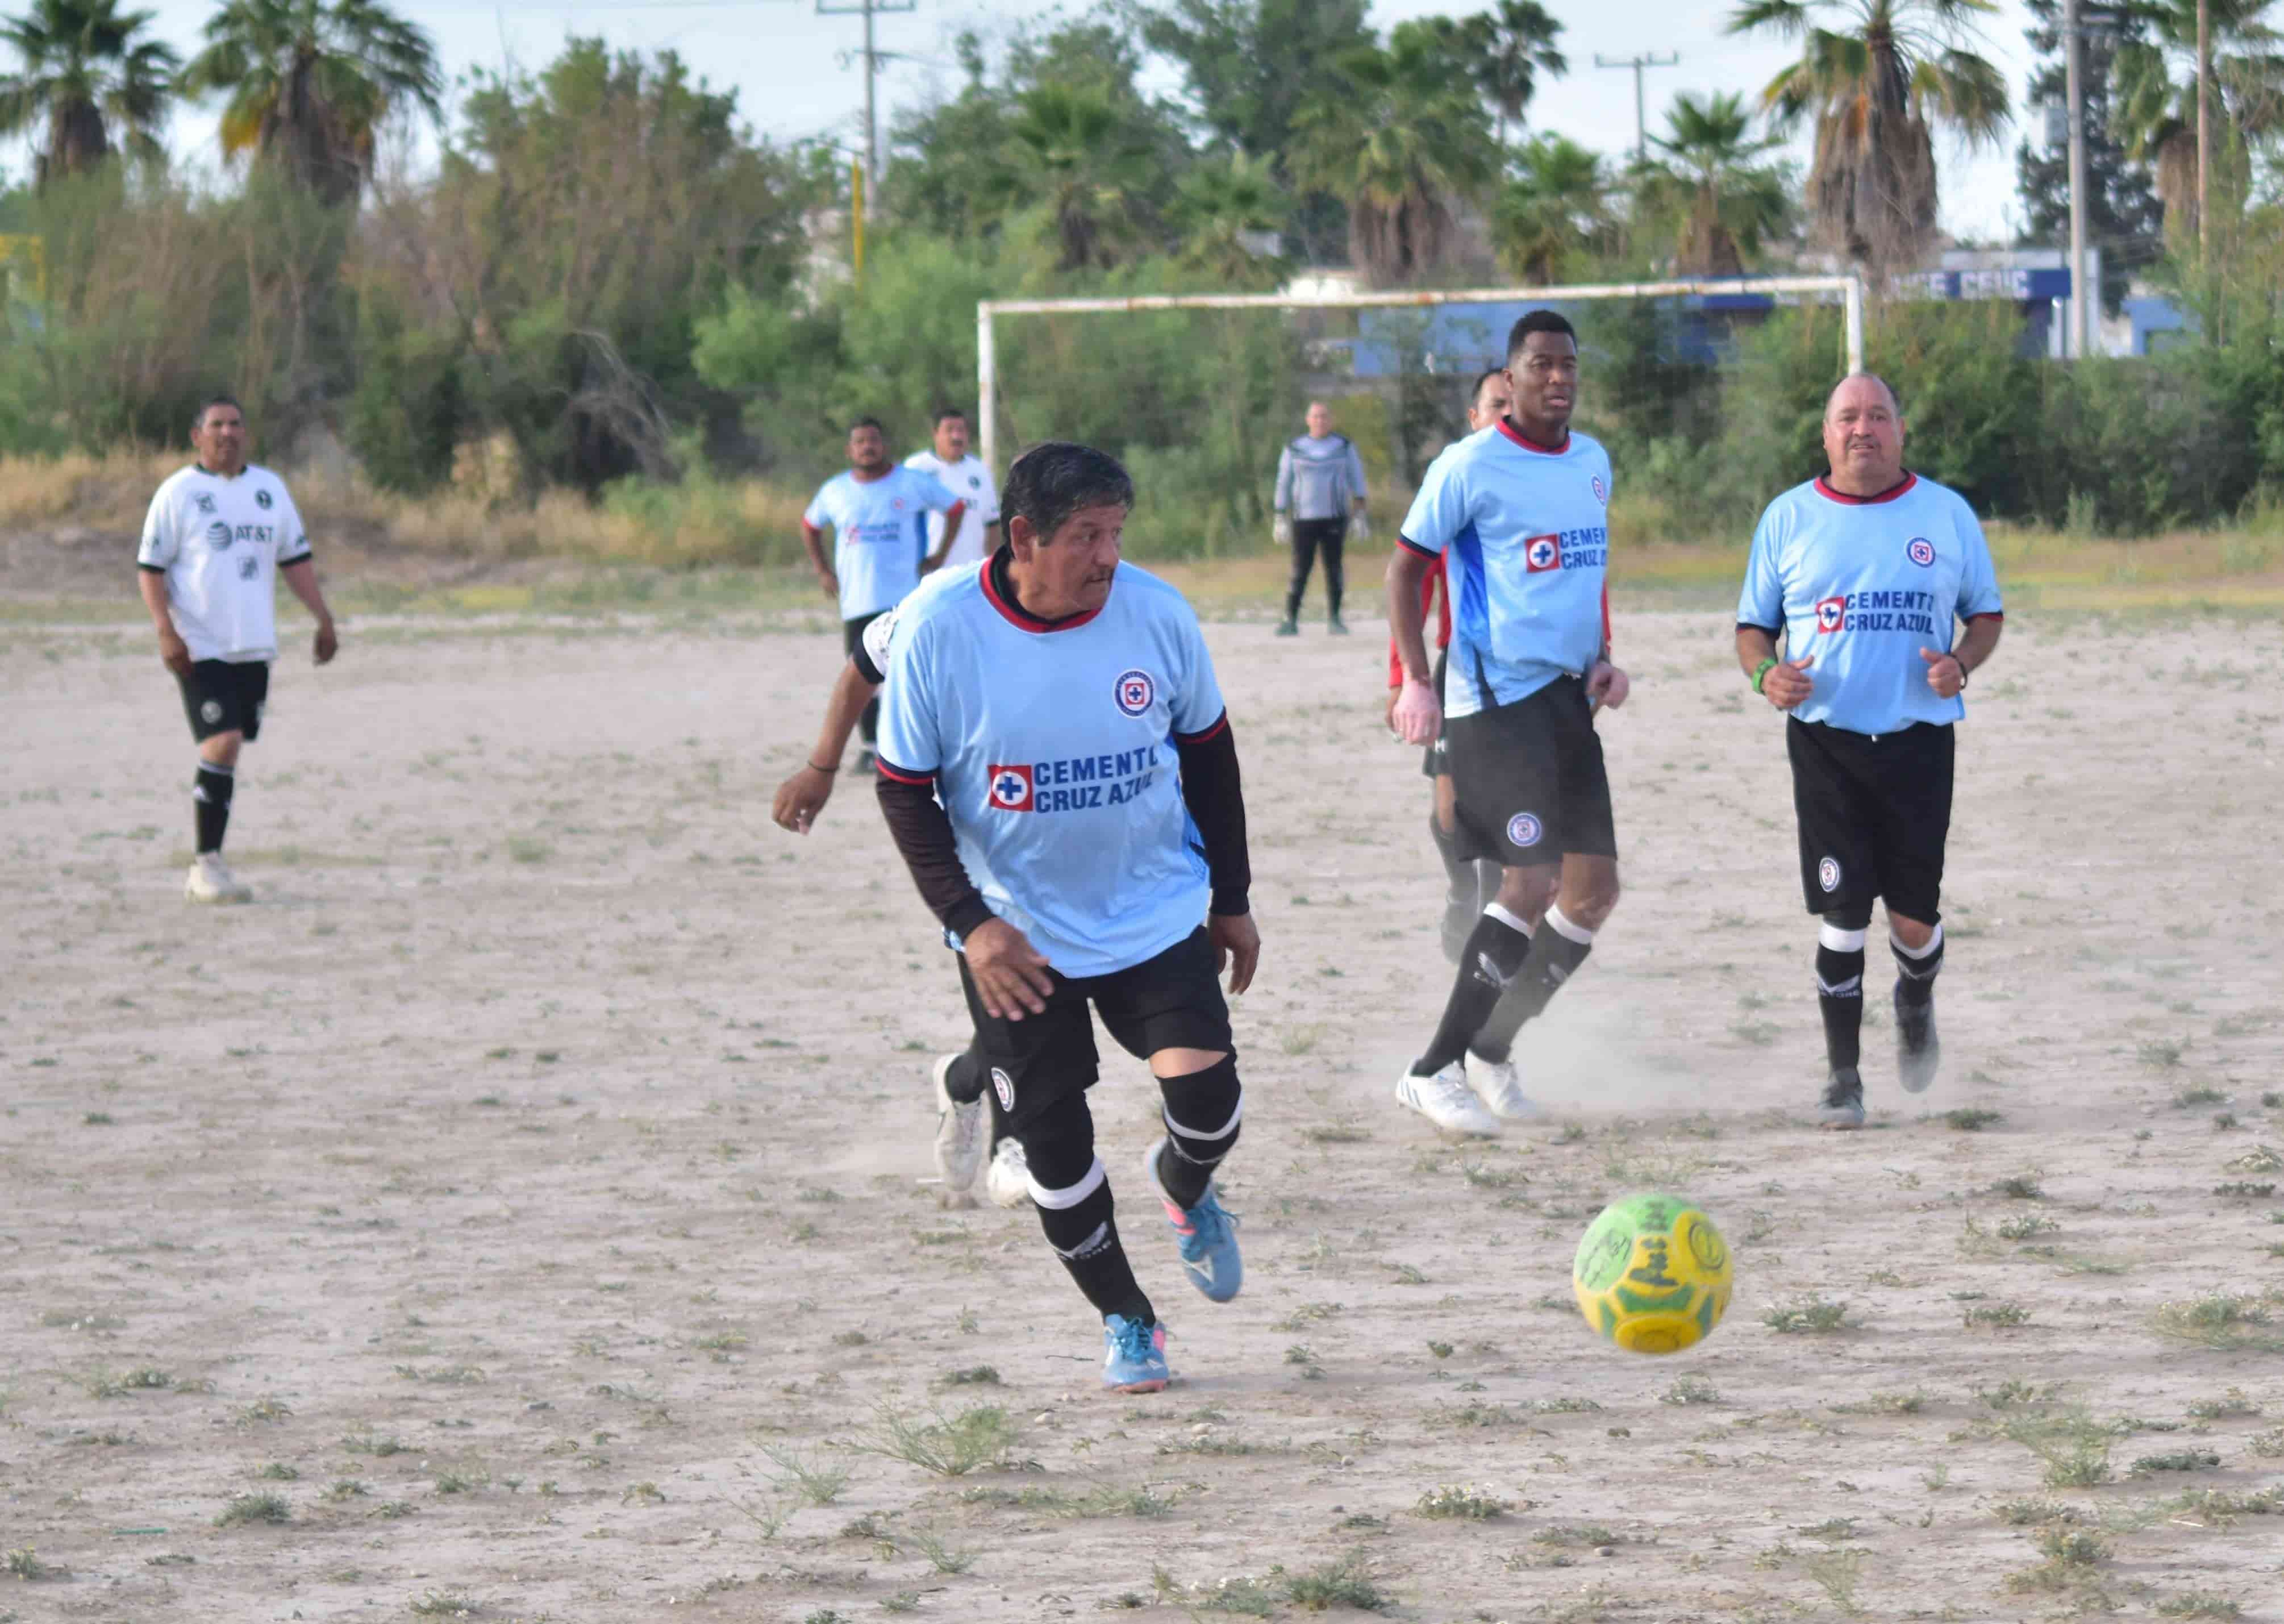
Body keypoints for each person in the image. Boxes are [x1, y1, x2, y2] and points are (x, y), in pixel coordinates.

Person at [873, 441, 1260, 1393]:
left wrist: (1234, 896)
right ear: (1023, 538)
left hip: (1151, 905)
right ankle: (1129, 1319)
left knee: (1208, 1106)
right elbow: (903, 791)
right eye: (1087, 536)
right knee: (1054, 1145)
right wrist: (972, 923)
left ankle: (1185, 1184)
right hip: (1017, 933)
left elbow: (1210, 755)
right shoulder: (940, 628)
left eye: (1117, 533)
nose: (1107, 556)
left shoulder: (1156, 613)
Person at [1735, 373, 2004, 1130]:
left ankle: (1915, 995)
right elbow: (1752, 627)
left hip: (1919, 741)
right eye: (1848, 417)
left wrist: (1964, 661)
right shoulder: (1788, 519)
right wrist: (1766, 672)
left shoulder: (1946, 514)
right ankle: (1843, 1078)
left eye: (1878, 416)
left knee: (1912, 921)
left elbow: (1985, 614)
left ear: (1901, 430)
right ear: (1825, 434)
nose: (1863, 429)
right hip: (1827, 743)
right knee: (1843, 910)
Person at [1385, 311, 1631, 1136]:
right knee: (1527, 883)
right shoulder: (1471, 466)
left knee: (1592, 894)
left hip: (1567, 698)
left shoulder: (1593, 462)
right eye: (1540, 365)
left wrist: (1602, 654)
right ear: (1512, 376)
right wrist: (1416, 680)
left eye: (1568, 364)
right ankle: (1431, 1069)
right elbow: (1405, 568)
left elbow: (1586, 573)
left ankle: (1491, 1049)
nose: (1557, 378)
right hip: (1492, 699)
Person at [770, 603, 1032, 1212]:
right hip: (979, 839)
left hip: (1064, 831)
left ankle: (961, 1083)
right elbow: (861, 665)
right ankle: (1010, 1150)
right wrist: (822, 766)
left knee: (1052, 997)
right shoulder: (933, 611)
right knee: (1018, 1000)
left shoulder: (1095, 604)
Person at [136, 394, 339, 904]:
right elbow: (151, 569)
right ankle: (206, 864)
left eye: (235, 425)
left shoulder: (269, 490)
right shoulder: (178, 493)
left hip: (254, 645)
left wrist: (322, 617)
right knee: (222, 740)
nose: (227, 433)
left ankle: (212, 859)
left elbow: (295, 560)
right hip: (200, 645)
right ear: (197, 436)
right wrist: (165, 629)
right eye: (217, 425)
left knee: (232, 745)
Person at [1389, 367, 1514, 963]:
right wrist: (1406, 678)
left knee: (1508, 805)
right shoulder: (1458, 479)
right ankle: (1463, 888)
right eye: (1496, 405)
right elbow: (1413, 584)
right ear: (1473, 417)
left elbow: (1589, 585)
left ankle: (1494, 913)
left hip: (1529, 678)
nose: (1507, 416)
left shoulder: (1546, 484)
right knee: (1450, 808)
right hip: (1459, 669)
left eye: (1516, 406)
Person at [800, 418, 965, 773]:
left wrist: (938, 556)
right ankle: (872, 747)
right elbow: (810, 526)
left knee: (910, 672)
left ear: (884, 445)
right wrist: (823, 571)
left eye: (874, 440)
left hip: (904, 598)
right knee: (861, 675)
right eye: (860, 441)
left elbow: (955, 508)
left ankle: (920, 745)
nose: (867, 447)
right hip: (857, 600)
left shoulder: (911, 482)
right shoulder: (835, 491)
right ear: (849, 450)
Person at [1272, 401, 1369, 636]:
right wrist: (1279, 515)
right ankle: (1290, 618)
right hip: (1304, 518)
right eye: (1315, 417)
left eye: (1324, 417)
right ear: (1308, 420)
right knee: (1300, 569)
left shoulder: (1343, 447)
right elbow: (1284, 482)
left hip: (1334, 517)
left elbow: (1357, 479)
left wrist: (1360, 514)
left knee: (1334, 568)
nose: (1320, 421)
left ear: (1331, 420)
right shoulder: (1294, 448)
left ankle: (1335, 618)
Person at [904, 407, 1002, 571]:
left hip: (970, 572)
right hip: (929, 572)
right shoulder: (917, 467)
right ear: (936, 434)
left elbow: (992, 523)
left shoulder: (980, 470)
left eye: (961, 431)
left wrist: (992, 566)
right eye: (949, 430)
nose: (956, 436)